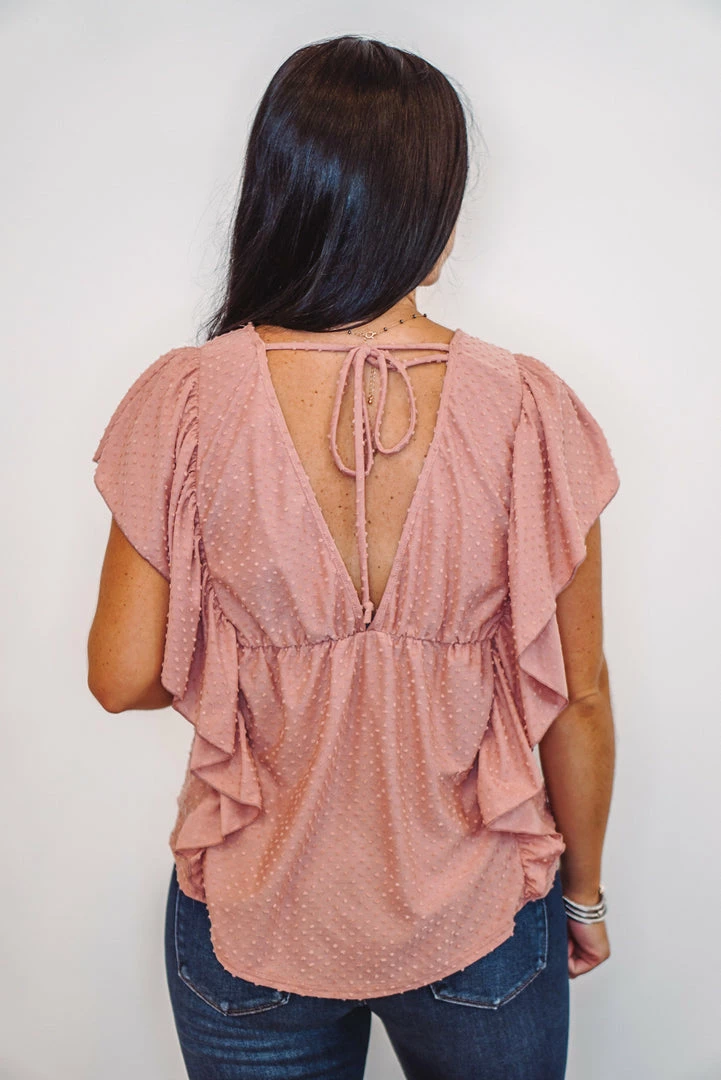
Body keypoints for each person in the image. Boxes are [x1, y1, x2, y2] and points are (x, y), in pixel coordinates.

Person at [87, 33, 620, 1080]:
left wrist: (259, 650)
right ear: (434, 210)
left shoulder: (184, 400)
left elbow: (121, 675)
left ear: (279, 195)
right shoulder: (527, 408)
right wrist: (586, 895)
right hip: (476, 907)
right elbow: (581, 695)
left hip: (252, 908)